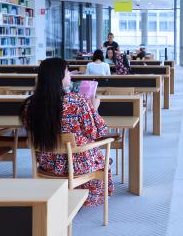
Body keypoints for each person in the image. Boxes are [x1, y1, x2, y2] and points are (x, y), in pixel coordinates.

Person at [20, 58, 113, 207]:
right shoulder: (76, 101)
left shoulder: (29, 105)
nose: (70, 75)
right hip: (77, 165)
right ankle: (83, 198)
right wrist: (94, 108)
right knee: (100, 153)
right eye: (67, 71)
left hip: (47, 163)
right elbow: (98, 132)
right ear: (58, 77)